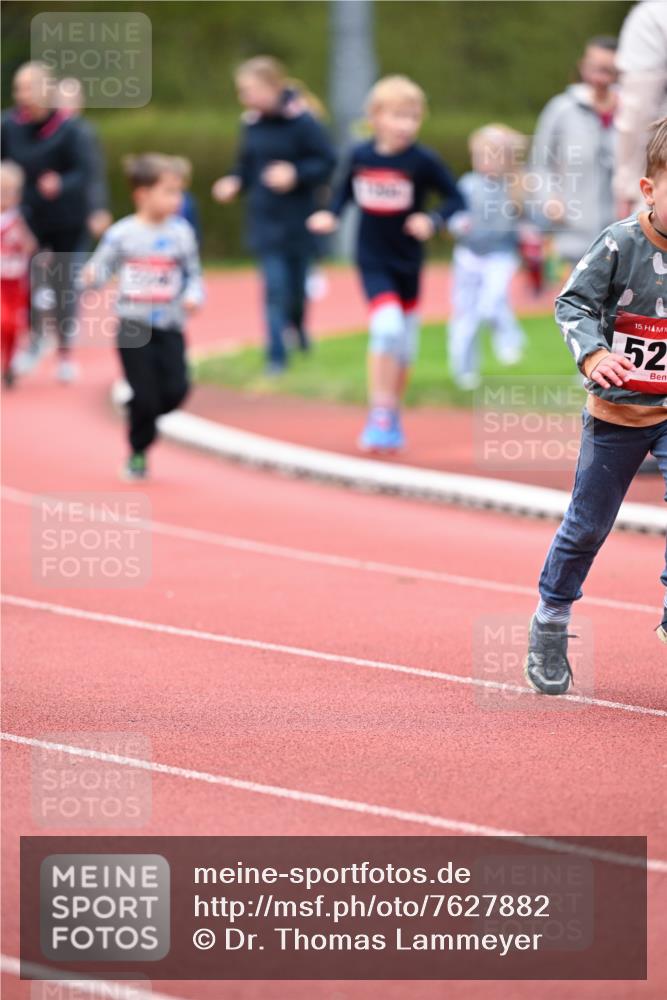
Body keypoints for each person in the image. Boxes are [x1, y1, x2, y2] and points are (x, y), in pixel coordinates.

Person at [525, 118, 667, 695]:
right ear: (650, 189)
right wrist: (594, 356)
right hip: (619, 413)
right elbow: (572, 305)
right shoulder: (619, 244)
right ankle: (552, 619)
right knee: (587, 524)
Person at [307, 75, 464, 451]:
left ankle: (390, 413)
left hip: (408, 262)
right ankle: (379, 411)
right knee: (387, 327)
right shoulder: (360, 155)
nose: (406, 125)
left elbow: (456, 198)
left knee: (405, 346)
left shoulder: (422, 160)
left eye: (412, 117)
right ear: (375, 117)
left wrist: (432, 220)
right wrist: (330, 215)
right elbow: (343, 192)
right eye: (397, 116)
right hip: (372, 258)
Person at [82, 154, 204, 480]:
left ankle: (141, 413)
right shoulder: (122, 234)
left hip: (171, 325)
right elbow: (100, 268)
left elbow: (193, 273)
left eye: (179, 192)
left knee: (176, 390)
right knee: (146, 395)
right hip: (133, 326)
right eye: (168, 192)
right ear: (142, 194)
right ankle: (138, 451)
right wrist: (91, 277)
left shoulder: (182, 233)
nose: (176, 200)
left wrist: (193, 296)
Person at [212, 56, 336, 373]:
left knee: (296, 290)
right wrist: (234, 182)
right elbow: (246, 166)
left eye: (249, 90)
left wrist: (295, 174)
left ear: (272, 86)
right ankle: (276, 355)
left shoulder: (304, 122)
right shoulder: (251, 123)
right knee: (274, 288)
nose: (245, 98)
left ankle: (298, 329)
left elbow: (327, 162)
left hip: (299, 218)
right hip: (265, 218)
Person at [1, 62, 96, 382]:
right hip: (29, 216)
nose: (21, 95)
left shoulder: (71, 128)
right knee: (29, 282)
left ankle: (65, 353)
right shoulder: (9, 125)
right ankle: (34, 339)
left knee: (63, 285)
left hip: (68, 217)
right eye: (18, 88)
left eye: (27, 87)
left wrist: (62, 183)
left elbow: (87, 171)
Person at [447, 124, 529, 390]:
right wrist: (459, 224)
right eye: (480, 156)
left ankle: (510, 341)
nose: (486, 163)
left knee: (492, 303)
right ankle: (464, 369)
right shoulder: (468, 184)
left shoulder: (515, 187)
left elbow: (528, 220)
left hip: (500, 255)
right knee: (465, 314)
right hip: (468, 255)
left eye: (493, 156)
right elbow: (455, 213)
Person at [530, 36, 618, 268]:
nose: (600, 78)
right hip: (572, 237)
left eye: (608, 71)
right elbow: (539, 164)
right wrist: (549, 199)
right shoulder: (561, 110)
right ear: (583, 67)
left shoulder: (634, 111)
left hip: (624, 237)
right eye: (595, 69)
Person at [0, 161, 36, 386]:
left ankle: (10, 362)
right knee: (3, 320)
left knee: (14, 325)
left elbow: (30, 245)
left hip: (17, 279)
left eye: (12, 192)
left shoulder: (18, 218)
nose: (7, 196)